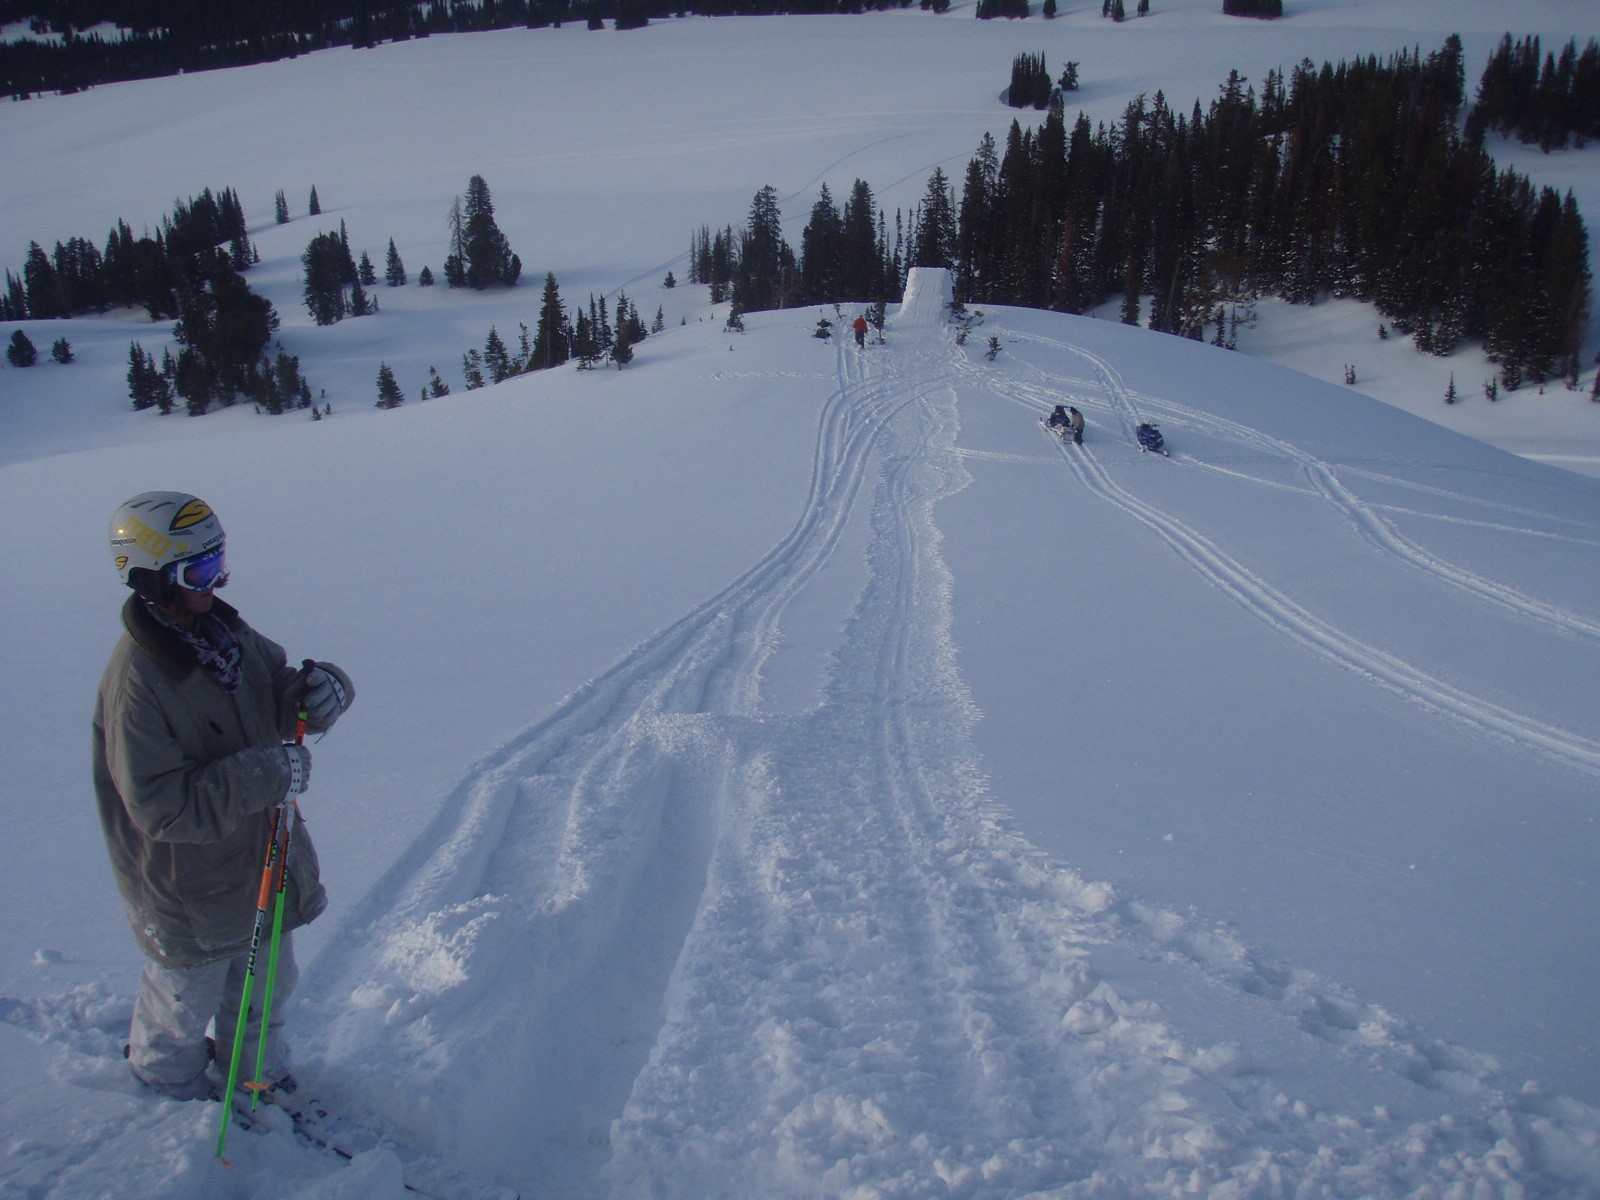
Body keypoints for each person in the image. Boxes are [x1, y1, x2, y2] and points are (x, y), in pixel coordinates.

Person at [94, 491, 354, 1105]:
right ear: (151, 579)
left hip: (261, 860)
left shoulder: (223, 634)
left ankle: (256, 1077)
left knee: (267, 989)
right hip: (190, 889)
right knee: (182, 1008)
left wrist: (323, 692)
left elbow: (277, 691)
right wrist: (268, 773)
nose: (215, 584)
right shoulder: (139, 684)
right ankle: (165, 1095)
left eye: (219, 564)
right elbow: (162, 806)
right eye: (199, 572)